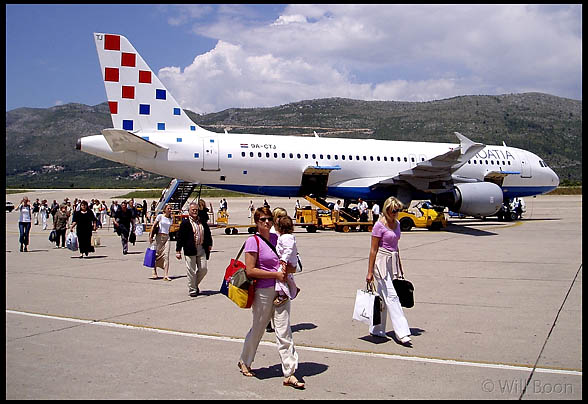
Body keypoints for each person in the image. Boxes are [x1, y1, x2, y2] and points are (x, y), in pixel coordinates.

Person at [237, 207, 305, 389]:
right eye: (262, 220)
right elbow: (250, 270)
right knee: (259, 328)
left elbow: (293, 263)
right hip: (263, 291)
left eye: (269, 219)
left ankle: (290, 372)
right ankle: (245, 360)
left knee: (284, 330)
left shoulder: (279, 238)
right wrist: (275, 275)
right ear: (257, 222)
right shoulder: (253, 241)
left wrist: (287, 271)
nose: (267, 222)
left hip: (281, 290)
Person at [366, 196, 412, 345]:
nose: (395, 213)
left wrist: (399, 265)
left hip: (393, 261)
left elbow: (396, 246)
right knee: (392, 296)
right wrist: (370, 271)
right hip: (381, 261)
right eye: (393, 210)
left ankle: (377, 329)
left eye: (397, 210)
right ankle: (402, 332)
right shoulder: (379, 225)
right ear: (386, 210)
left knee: (382, 296)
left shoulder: (397, 224)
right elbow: (373, 250)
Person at [175, 202, 213, 297]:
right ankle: (192, 290)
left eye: (196, 210)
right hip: (190, 249)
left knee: (203, 269)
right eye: (193, 210)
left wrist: (209, 244)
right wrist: (178, 250)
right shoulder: (185, 223)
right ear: (189, 211)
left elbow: (208, 233)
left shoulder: (202, 221)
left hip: (201, 248)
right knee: (191, 270)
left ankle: (194, 285)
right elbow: (180, 237)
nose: (195, 211)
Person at [273, 215, 300, 306]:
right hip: (287, 260)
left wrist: (284, 260)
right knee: (288, 278)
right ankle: (293, 289)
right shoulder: (284, 236)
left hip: (288, 261)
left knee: (280, 277)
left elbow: (288, 249)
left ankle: (282, 295)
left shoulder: (287, 237)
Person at [149, 204, 173, 281]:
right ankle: (154, 271)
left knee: (166, 255)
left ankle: (166, 275)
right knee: (156, 254)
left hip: (167, 237)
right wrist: (151, 236)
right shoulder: (160, 216)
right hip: (159, 236)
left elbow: (169, 229)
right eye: (168, 208)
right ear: (165, 209)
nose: (170, 210)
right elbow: (154, 225)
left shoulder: (170, 219)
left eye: (170, 209)